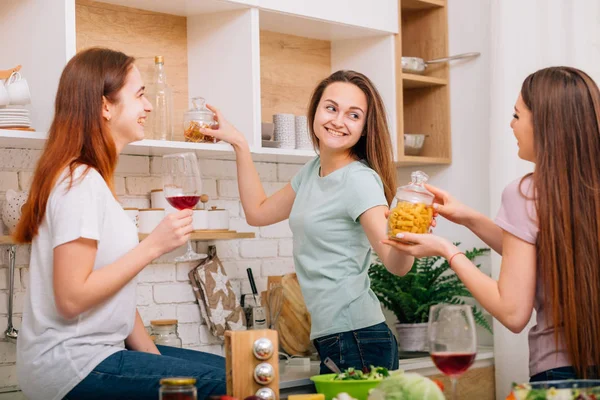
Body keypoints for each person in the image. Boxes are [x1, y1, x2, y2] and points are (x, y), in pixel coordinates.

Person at [13, 47, 226, 400]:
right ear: (105, 106)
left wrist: (154, 361)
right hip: (72, 364)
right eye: (140, 94)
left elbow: (116, 294)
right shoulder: (78, 182)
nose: (149, 106)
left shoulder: (90, 179)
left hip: (101, 352)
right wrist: (153, 246)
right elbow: (70, 298)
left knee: (231, 373)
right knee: (229, 385)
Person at [383, 66, 600, 381]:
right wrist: (469, 217)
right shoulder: (582, 190)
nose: (511, 125)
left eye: (516, 115)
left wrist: (447, 250)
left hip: (562, 377)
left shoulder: (527, 193)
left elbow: (512, 313)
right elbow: (546, 252)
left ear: (545, 124)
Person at [201, 70, 414, 374]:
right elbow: (258, 213)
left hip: (358, 337)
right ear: (315, 111)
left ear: (365, 128)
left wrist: (408, 235)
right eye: (331, 108)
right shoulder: (312, 171)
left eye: (353, 115)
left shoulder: (360, 181)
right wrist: (239, 144)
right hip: (336, 338)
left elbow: (397, 265)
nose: (338, 121)